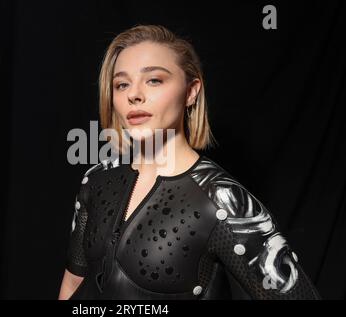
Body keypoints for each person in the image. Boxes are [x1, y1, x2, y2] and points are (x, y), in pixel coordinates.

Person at [58, 24, 321, 300]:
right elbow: (73, 284)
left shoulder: (223, 201)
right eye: (122, 84)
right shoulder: (97, 179)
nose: (133, 94)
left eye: (154, 80)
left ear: (191, 91)